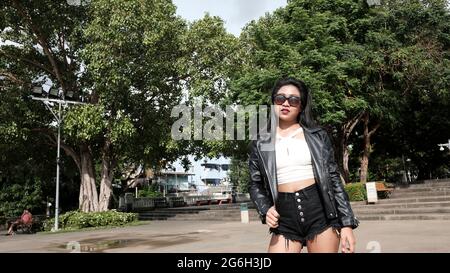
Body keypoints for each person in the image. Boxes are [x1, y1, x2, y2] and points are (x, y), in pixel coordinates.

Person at [248, 77, 359, 253]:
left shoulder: (318, 136)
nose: (286, 103)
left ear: (301, 106)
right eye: (280, 98)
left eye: (293, 100)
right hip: (284, 219)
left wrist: (347, 225)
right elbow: (255, 183)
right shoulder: (261, 142)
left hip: (320, 214)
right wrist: (265, 208)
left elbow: (333, 179)